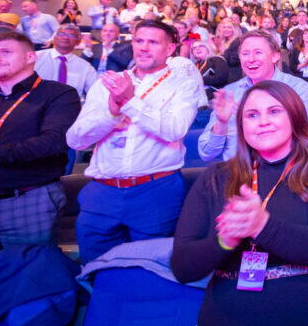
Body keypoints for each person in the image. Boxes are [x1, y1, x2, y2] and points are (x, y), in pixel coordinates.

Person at [172, 81, 308, 325]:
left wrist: (261, 226)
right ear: (242, 125)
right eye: (252, 114)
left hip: (306, 309)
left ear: (295, 116)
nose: (263, 121)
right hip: (226, 313)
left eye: (274, 111)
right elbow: (183, 268)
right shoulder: (215, 178)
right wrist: (224, 242)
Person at [66, 20, 205, 262]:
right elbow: (76, 140)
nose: (143, 47)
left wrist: (128, 102)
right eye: (139, 41)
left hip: (155, 190)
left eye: (153, 42)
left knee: (152, 269)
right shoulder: (109, 82)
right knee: (94, 269)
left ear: (170, 49)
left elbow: (174, 130)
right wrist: (111, 113)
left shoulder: (183, 83)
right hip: (102, 191)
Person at [0, 31, 80, 250]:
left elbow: (51, 143)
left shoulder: (58, 94)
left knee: (27, 274)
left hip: (28, 199)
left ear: (30, 57)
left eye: (5, 52)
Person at [198, 31, 308, 163]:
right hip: (237, 176)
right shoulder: (229, 94)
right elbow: (206, 153)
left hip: (283, 175)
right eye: (245, 54)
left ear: (275, 56)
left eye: (258, 52)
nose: (251, 59)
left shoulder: (297, 89)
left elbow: (306, 141)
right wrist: (221, 124)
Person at [34, 23, 96, 100]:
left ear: (78, 42)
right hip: (37, 104)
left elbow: (95, 92)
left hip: (70, 108)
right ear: (54, 38)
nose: (65, 37)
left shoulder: (85, 67)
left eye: (71, 36)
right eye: (61, 34)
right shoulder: (36, 58)